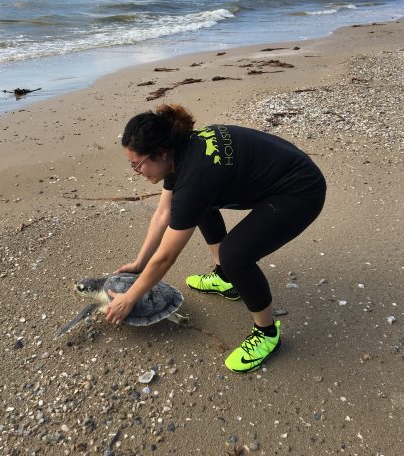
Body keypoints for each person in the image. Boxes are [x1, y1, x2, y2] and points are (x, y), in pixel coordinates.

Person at [106, 104, 326, 373]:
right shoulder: (180, 151)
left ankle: (267, 334)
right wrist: (140, 262)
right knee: (198, 209)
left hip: (300, 190)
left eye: (137, 165)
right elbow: (164, 212)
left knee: (235, 255)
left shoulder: (194, 176)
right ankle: (225, 279)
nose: (137, 172)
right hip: (280, 173)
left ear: (160, 154)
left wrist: (130, 297)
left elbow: (165, 257)